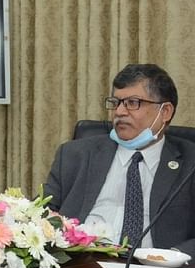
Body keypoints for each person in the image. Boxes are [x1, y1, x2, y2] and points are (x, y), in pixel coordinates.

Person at [44, 63, 195, 256]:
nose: (119, 112)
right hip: (82, 263)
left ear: (164, 112)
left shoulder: (190, 162)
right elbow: (43, 213)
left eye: (133, 103)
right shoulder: (75, 154)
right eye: (116, 102)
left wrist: (173, 256)